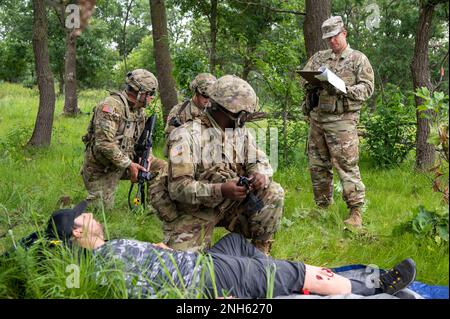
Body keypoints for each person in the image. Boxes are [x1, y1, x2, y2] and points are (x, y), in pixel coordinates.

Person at [44, 201, 417, 299]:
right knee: (294, 271)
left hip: (195, 264)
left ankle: (274, 278)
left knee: (238, 241)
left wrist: (159, 251)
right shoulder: (110, 258)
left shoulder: (108, 254)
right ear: (78, 231)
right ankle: (376, 287)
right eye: (83, 216)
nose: (90, 214)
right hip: (205, 278)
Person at [153, 75, 284, 255]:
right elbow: (178, 188)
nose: (245, 120)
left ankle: (259, 254)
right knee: (184, 269)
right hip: (195, 210)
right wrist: (220, 189)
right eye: (244, 114)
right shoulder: (185, 136)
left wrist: (259, 174)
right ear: (231, 112)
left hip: (231, 204)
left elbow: (258, 159)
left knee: (274, 192)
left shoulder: (239, 133)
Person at [299, 16, 375, 227]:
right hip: (318, 119)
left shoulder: (358, 59)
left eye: (335, 37)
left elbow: (368, 87)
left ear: (344, 33)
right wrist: (311, 86)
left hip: (342, 121)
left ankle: (356, 212)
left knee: (346, 166)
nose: (332, 42)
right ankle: (322, 208)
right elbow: (304, 77)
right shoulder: (319, 58)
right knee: (317, 166)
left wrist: (345, 89)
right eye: (328, 39)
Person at [81, 69, 166, 210]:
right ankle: (68, 206)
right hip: (102, 168)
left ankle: (154, 207)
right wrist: (129, 165)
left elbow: (143, 140)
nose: (152, 98)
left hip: (127, 161)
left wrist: (148, 157)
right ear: (140, 93)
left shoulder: (139, 111)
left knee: (163, 168)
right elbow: (104, 143)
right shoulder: (110, 107)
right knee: (101, 210)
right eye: (150, 94)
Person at [164, 73, 217, 140]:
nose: (208, 99)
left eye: (212, 96)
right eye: (205, 96)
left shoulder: (216, 111)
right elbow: (170, 139)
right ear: (197, 92)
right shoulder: (179, 111)